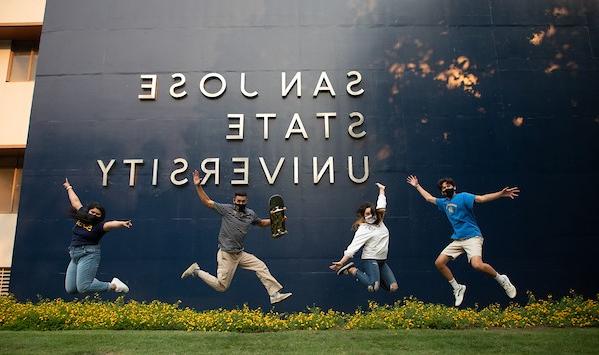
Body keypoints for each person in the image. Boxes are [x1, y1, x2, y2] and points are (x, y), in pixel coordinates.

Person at [181, 170, 292, 305]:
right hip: (226, 254)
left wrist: (277, 219)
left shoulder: (250, 214)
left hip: (240, 253)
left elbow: (262, 223)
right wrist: (198, 186)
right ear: (234, 201)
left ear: (246, 201)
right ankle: (196, 271)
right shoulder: (226, 209)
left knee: (260, 266)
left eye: (243, 201)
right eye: (238, 201)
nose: (240, 203)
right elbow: (207, 201)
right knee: (222, 287)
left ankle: (274, 294)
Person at [406, 175, 519, 306]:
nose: (446, 188)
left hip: (473, 237)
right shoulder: (443, 203)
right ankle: (457, 287)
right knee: (439, 263)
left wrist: (500, 194)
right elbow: (428, 198)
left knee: (477, 265)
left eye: (448, 185)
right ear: (442, 191)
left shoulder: (463, 196)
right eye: (443, 187)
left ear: (454, 187)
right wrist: (417, 186)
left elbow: (481, 198)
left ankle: (501, 279)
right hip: (458, 240)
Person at [63, 178, 132, 294]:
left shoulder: (99, 226)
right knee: (71, 289)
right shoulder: (82, 215)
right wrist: (69, 187)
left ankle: (114, 285)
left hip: (89, 254)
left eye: (98, 214)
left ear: (101, 217)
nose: (94, 215)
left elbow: (111, 224)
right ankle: (88, 279)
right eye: (92, 212)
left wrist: (122, 223)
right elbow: (75, 202)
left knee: (84, 288)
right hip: (74, 254)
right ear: (88, 211)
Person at [329, 183, 399, 293]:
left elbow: (381, 204)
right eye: (367, 214)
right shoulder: (364, 229)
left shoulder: (380, 220)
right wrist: (341, 262)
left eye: (372, 213)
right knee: (373, 286)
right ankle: (351, 269)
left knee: (393, 288)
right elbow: (353, 247)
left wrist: (382, 190)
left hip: (382, 260)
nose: (370, 215)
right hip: (370, 259)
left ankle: (373, 280)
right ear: (364, 216)